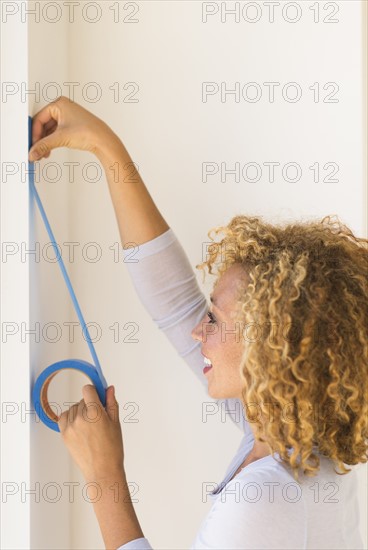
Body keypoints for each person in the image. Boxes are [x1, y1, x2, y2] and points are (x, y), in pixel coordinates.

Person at [29, 96, 367, 550]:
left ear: (271, 349)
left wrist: (104, 476)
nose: (196, 330)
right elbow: (174, 301)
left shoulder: (265, 497)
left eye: (213, 319)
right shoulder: (299, 441)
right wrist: (106, 149)